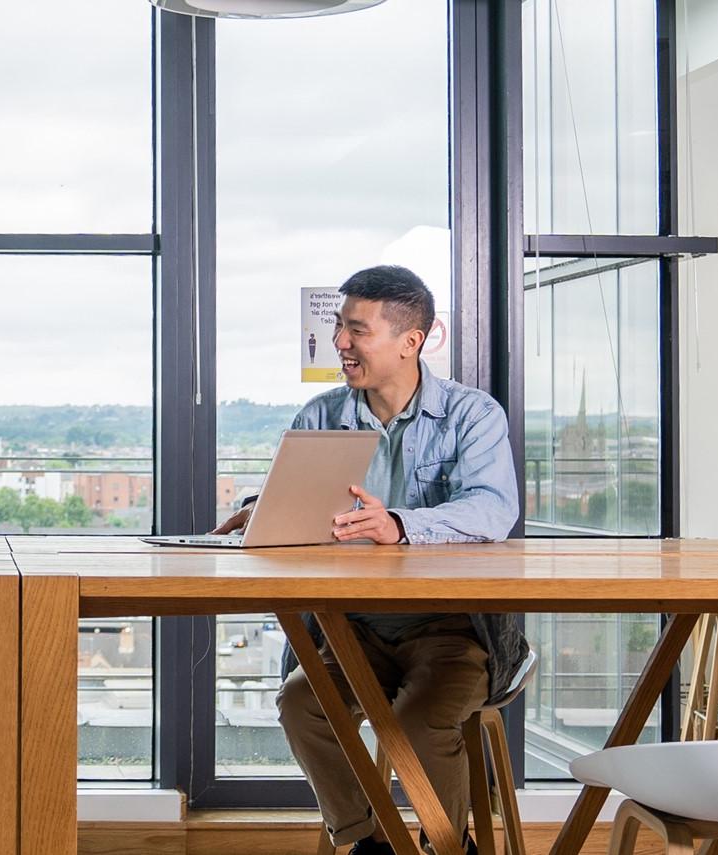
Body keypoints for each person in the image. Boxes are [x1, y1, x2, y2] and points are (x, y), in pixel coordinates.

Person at [213, 266, 526, 855]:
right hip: (350, 629)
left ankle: (446, 845)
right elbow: (306, 510)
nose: (339, 343)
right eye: (339, 327)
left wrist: (400, 524)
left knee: (419, 720)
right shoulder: (319, 416)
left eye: (357, 330)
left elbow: (491, 510)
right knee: (300, 705)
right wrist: (264, 510)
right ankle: (366, 844)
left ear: (413, 341)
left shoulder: (472, 415)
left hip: (453, 632)